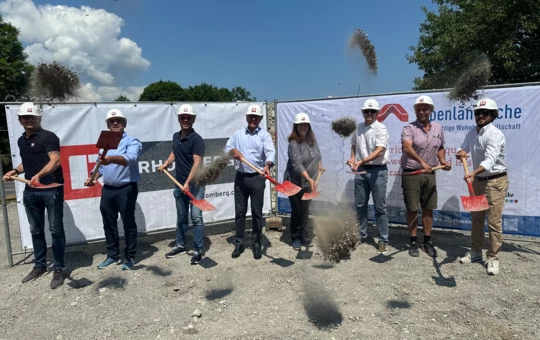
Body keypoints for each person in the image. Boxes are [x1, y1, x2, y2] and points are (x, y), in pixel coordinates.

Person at [2, 102, 66, 289]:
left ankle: (59, 269)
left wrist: (39, 175)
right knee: (36, 230)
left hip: (51, 189)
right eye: (25, 117)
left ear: (39, 118)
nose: (29, 120)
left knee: (56, 230)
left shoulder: (49, 137)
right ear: (20, 120)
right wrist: (14, 170)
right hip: (31, 192)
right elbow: (26, 163)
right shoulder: (22, 140)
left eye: (33, 117)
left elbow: (55, 161)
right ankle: (39, 266)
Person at [84, 109, 142, 270]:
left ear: (124, 123)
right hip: (108, 190)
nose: (115, 123)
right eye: (112, 121)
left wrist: (111, 159)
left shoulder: (132, 141)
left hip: (126, 189)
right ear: (108, 125)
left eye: (119, 120)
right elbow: (99, 166)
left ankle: (129, 257)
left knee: (128, 223)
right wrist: (93, 177)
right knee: (108, 224)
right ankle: (112, 255)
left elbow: (132, 158)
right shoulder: (105, 144)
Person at [456, 98, 508, 276]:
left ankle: (493, 258)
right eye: (477, 112)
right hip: (477, 182)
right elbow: (463, 148)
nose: (480, 115)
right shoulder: (472, 132)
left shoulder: (495, 134)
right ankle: (476, 252)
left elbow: (490, 160)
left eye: (484, 113)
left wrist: (473, 172)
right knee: (477, 219)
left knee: (494, 222)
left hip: (494, 182)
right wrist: (461, 152)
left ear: (492, 115)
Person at [400, 95, 451, 257]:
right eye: (418, 109)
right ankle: (413, 240)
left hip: (430, 175)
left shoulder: (438, 128)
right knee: (413, 209)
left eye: (425, 109)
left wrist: (443, 161)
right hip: (412, 174)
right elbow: (407, 147)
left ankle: (427, 241)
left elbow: (440, 146)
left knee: (428, 209)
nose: (421, 112)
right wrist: (422, 162)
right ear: (415, 111)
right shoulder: (409, 128)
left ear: (430, 111)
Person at [225, 104, 275, 259]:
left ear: (260, 119)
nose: (253, 119)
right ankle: (239, 244)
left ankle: (257, 244)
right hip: (241, 178)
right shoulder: (238, 135)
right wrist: (234, 151)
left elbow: (270, 151)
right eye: (251, 116)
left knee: (257, 213)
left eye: (256, 117)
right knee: (239, 213)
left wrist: (267, 165)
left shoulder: (264, 136)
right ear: (247, 118)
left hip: (257, 178)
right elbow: (227, 147)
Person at [158, 104, 206, 265]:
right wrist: (166, 163)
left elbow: (197, 164)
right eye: (182, 118)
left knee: (196, 217)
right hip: (179, 185)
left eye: (188, 118)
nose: (185, 120)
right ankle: (180, 245)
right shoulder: (176, 136)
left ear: (193, 120)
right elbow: (175, 152)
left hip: (195, 185)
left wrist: (187, 183)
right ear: (179, 119)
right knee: (182, 216)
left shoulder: (197, 140)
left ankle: (198, 250)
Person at [347, 99, 390, 254]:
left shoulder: (381, 128)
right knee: (360, 205)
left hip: (378, 171)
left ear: (377, 113)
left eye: (372, 111)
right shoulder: (357, 128)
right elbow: (353, 144)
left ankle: (383, 240)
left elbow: (380, 150)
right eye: (366, 111)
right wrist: (352, 158)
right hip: (361, 171)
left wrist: (361, 161)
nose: (369, 114)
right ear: (363, 113)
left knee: (379, 207)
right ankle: (361, 235)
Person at [284, 112, 323, 251]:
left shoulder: (312, 141)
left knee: (305, 210)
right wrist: (308, 178)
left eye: (305, 125)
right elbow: (297, 165)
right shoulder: (293, 143)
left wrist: (320, 165)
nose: (303, 127)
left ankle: (304, 236)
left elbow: (318, 154)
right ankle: (295, 238)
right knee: (297, 211)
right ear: (296, 126)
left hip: (309, 182)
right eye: (300, 125)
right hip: (293, 182)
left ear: (308, 126)